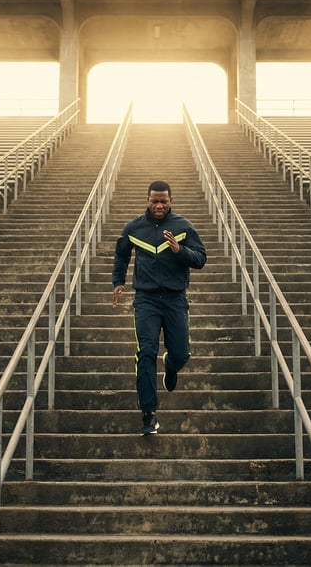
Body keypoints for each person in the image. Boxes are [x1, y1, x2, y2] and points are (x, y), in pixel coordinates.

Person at [112, 180, 207, 436]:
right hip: (146, 300)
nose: (159, 205)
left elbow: (200, 259)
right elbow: (122, 253)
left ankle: (172, 365)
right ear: (147, 200)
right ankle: (149, 414)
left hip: (176, 300)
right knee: (146, 352)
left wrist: (179, 250)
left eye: (164, 201)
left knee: (182, 353)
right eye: (154, 200)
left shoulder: (183, 226)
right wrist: (118, 282)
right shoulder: (134, 227)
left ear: (171, 201)